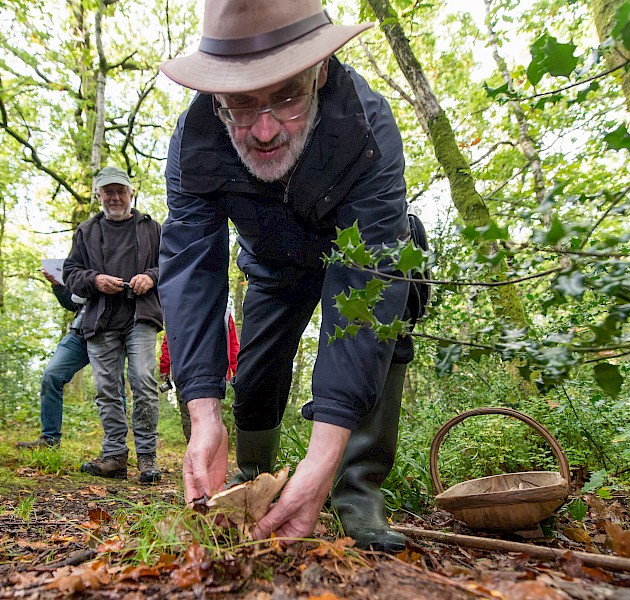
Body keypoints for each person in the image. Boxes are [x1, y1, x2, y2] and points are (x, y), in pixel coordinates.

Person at [159, 0, 415, 552]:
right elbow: (190, 270)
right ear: (215, 97)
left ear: (320, 74)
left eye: (288, 97)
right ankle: (254, 481)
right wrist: (201, 410)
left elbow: (368, 282)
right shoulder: (195, 142)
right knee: (255, 374)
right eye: (241, 105)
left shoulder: (367, 128)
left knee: (386, 326)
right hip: (272, 266)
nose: (266, 130)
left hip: (352, 257)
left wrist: (324, 448)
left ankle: (354, 487)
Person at [63, 166, 163, 484]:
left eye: (121, 190)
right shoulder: (86, 231)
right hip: (100, 319)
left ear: (132, 193)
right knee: (107, 389)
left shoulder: (152, 228)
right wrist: (94, 279)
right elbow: (70, 272)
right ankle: (114, 455)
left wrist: (151, 276)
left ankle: (147, 458)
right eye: (108, 191)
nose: (115, 197)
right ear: (98, 195)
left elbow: (171, 264)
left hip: (141, 316)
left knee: (144, 382)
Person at [15, 268, 127, 449]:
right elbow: (72, 302)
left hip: (112, 333)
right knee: (52, 375)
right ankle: (50, 439)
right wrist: (57, 283)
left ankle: (115, 448)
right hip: (80, 333)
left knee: (113, 388)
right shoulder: (85, 261)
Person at [160, 309, 239, 442]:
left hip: (206, 372)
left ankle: (204, 448)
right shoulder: (179, 308)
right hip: (193, 372)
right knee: (194, 414)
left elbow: (232, 343)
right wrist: (165, 367)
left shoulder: (223, 311)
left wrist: (237, 370)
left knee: (204, 414)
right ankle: (196, 448)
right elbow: (169, 341)